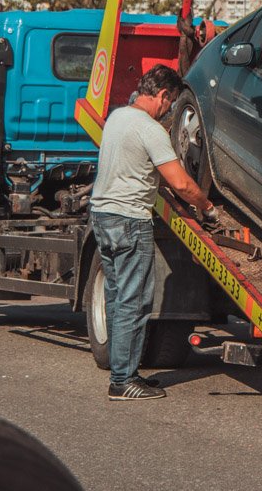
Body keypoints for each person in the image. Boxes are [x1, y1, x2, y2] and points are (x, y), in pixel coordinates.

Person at [89, 64, 218, 401]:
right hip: (130, 220)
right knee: (135, 302)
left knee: (118, 298)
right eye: (171, 103)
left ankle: (124, 373)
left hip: (103, 216)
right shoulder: (150, 130)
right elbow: (180, 183)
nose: (170, 110)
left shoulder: (117, 118)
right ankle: (123, 381)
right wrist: (207, 207)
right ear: (163, 95)